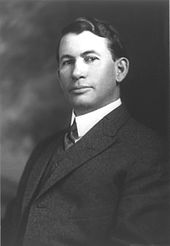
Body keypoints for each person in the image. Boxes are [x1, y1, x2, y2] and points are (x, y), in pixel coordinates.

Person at [2, 17, 169, 246]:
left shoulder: (148, 152)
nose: (77, 72)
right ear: (59, 75)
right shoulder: (43, 150)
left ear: (120, 70)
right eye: (67, 62)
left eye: (90, 59)